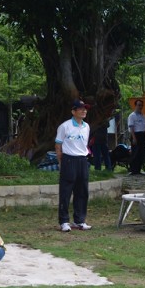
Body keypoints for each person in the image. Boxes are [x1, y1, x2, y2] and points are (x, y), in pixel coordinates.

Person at [55, 99, 91, 232]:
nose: (84, 111)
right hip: (69, 159)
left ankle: (79, 220)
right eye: (81, 109)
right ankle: (64, 221)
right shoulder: (65, 126)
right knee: (66, 191)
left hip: (82, 159)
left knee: (82, 191)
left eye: (85, 109)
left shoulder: (86, 126)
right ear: (73, 111)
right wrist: (61, 162)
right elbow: (58, 145)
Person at [127, 99, 145, 175]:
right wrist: (134, 138)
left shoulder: (143, 116)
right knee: (135, 153)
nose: (140, 107)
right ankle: (133, 170)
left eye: (141, 105)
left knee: (141, 153)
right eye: (138, 105)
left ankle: (138, 170)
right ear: (135, 106)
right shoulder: (132, 116)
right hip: (135, 135)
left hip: (142, 135)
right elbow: (131, 127)